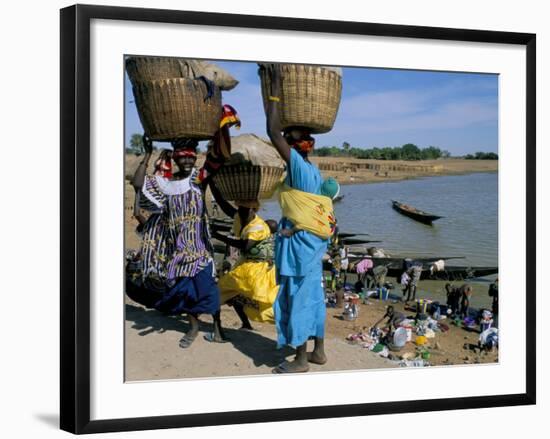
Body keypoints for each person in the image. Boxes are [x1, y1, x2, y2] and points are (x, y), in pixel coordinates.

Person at [126, 106, 241, 349]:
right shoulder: (166, 185)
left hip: (199, 248)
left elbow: (219, 157)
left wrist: (221, 130)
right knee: (185, 292)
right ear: (176, 158)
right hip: (177, 251)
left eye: (191, 156)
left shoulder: (199, 179)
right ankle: (194, 328)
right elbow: (138, 183)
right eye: (183, 156)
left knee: (209, 289)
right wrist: (148, 153)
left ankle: (218, 329)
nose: (188, 159)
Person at [264, 63, 336, 373]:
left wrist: (276, 87)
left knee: (297, 297)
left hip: (299, 246)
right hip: (311, 243)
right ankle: (319, 351)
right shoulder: (312, 170)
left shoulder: (298, 168)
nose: (281, 135)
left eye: (286, 137)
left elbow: (271, 129)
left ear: (293, 147)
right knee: (314, 295)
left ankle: (302, 360)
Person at [209, 188, 279, 330]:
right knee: (231, 295)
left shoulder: (259, 227)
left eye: (245, 209)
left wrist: (218, 236)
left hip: (255, 271)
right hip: (248, 268)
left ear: (254, 209)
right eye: (240, 208)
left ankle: (217, 331)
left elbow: (245, 246)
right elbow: (224, 205)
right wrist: (213, 186)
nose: (241, 211)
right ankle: (244, 325)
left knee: (218, 293)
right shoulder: (242, 218)